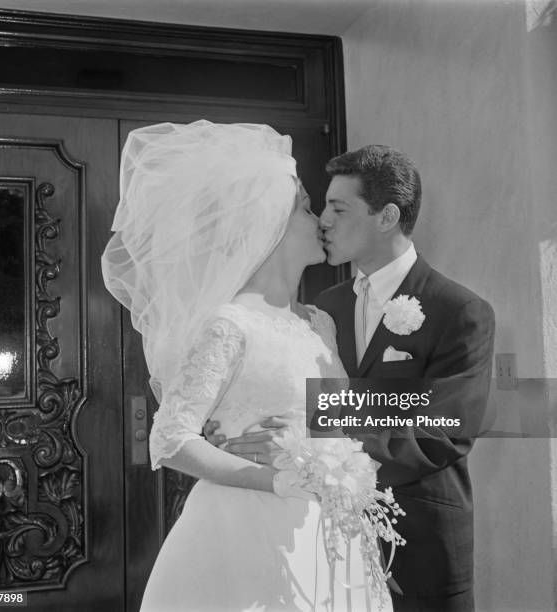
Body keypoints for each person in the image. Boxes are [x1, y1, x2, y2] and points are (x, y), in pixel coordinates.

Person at [101, 121, 395, 612]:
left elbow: (343, 415)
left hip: (330, 527)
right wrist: (276, 476)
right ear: (272, 223)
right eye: (307, 208)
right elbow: (171, 439)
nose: (320, 219)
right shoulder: (230, 323)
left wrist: (327, 458)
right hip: (247, 528)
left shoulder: (320, 321)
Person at [209, 145, 495, 612]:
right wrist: (246, 428)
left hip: (418, 542)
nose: (323, 219)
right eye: (322, 207)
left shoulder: (460, 311)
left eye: (338, 208)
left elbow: (442, 430)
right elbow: (306, 398)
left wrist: (310, 448)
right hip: (320, 539)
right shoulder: (327, 307)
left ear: (386, 217)